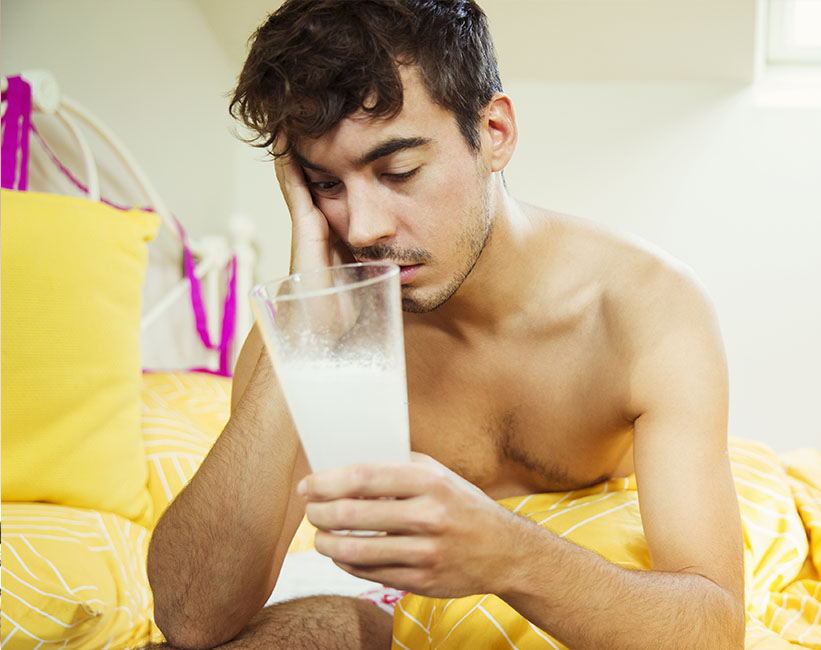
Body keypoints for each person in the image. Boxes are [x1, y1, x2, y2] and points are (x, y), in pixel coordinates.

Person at [145, 1, 744, 648]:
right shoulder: (320, 326)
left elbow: (715, 627)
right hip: (401, 612)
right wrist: (305, 317)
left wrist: (506, 553)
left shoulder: (642, 312)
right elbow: (192, 617)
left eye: (398, 171)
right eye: (326, 186)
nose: (365, 227)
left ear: (494, 131)